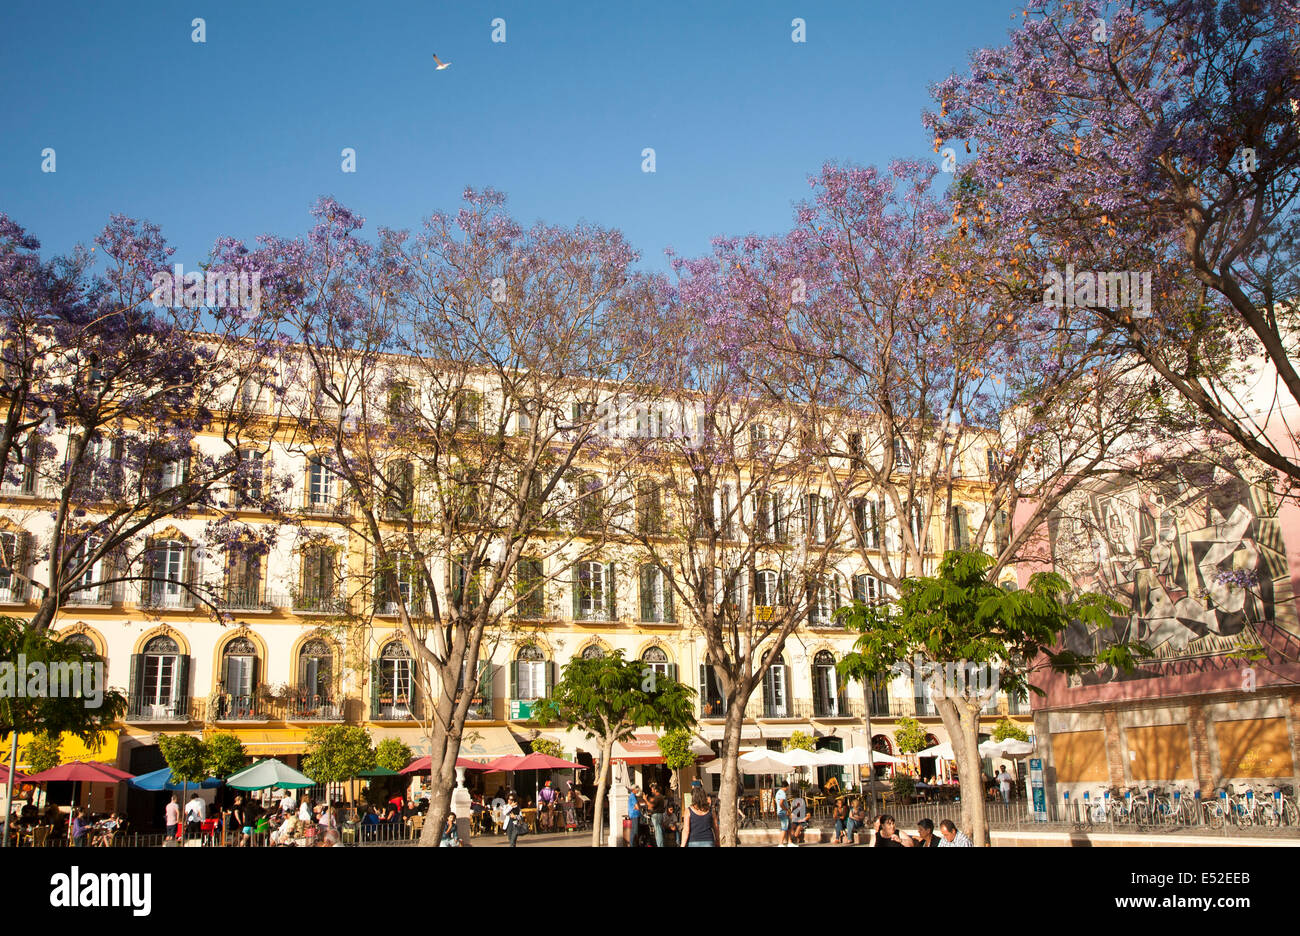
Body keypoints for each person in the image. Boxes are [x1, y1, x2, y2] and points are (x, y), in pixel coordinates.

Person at [648, 783, 667, 847]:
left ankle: (660, 845)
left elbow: (651, 806)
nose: (651, 791)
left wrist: (645, 799)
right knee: (658, 830)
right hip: (658, 815)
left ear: (655, 790)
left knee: (658, 831)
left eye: (652, 789)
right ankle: (660, 844)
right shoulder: (660, 796)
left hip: (657, 815)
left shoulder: (657, 797)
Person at [775, 780, 791, 847]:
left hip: (781, 811)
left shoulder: (778, 792)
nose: (787, 789)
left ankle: (790, 842)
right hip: (783, 812)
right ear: (786, 786)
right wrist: (786, 809)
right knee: (784, 828)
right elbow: (781, 803)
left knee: (788, 827)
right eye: (787, 787)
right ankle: (780, 843)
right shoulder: (783, 793)